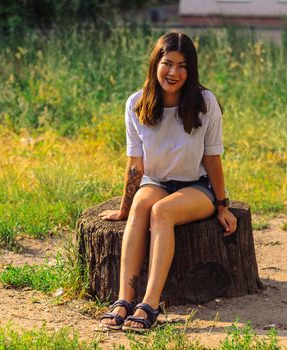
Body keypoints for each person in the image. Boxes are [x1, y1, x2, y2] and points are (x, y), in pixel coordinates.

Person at [98, 32, 237, 332]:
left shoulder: (204, 102)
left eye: (182, 66)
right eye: (167, 63)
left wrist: (222, 205)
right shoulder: (137, 103)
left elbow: (213, 158)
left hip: (197, 187)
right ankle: (124, 299)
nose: (174, 72)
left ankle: (149, 303)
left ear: (191, 70)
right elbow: (135, 164)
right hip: (156, 181)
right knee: (140, 208)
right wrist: (124, 208)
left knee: (162, 212)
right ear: (155, 64)